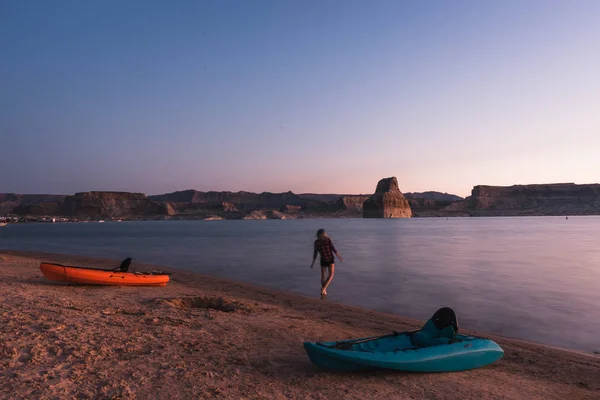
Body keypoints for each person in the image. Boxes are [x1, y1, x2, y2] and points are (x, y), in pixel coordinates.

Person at [311, 228, 343, 297]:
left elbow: (315, 253)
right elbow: (334, 249)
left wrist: (313, 262)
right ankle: (324, 289)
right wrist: (339, 257)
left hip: (323, 260)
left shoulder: (316, 242)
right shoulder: (328, 240)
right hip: (330, 259)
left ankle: (324, 291)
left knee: (323, 277)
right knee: (331, 275)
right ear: (324, 233)